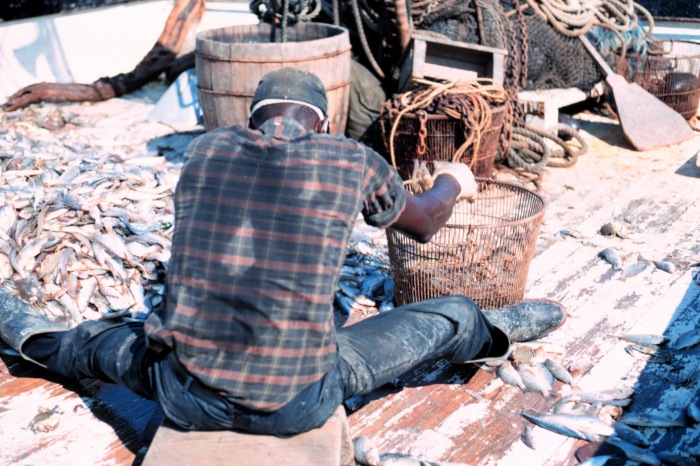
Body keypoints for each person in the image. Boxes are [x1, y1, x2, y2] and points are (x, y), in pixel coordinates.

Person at [0, 68, 566, 436]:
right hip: (299, 399)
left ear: (255, 118)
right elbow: (421, 226)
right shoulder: (350, 158)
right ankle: (491, 330)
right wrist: (451, 182)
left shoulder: (204, 151)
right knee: (449, 316)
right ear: (323, 123)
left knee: (94, 344)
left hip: (181, 391)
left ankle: (18, 327)